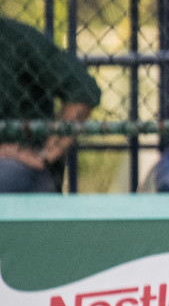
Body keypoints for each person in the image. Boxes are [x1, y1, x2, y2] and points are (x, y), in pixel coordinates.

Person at [0, 15, 99, 192]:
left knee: (6, 174)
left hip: (17, 167)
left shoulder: (16, 39)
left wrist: (44, 155)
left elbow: (84, 91)